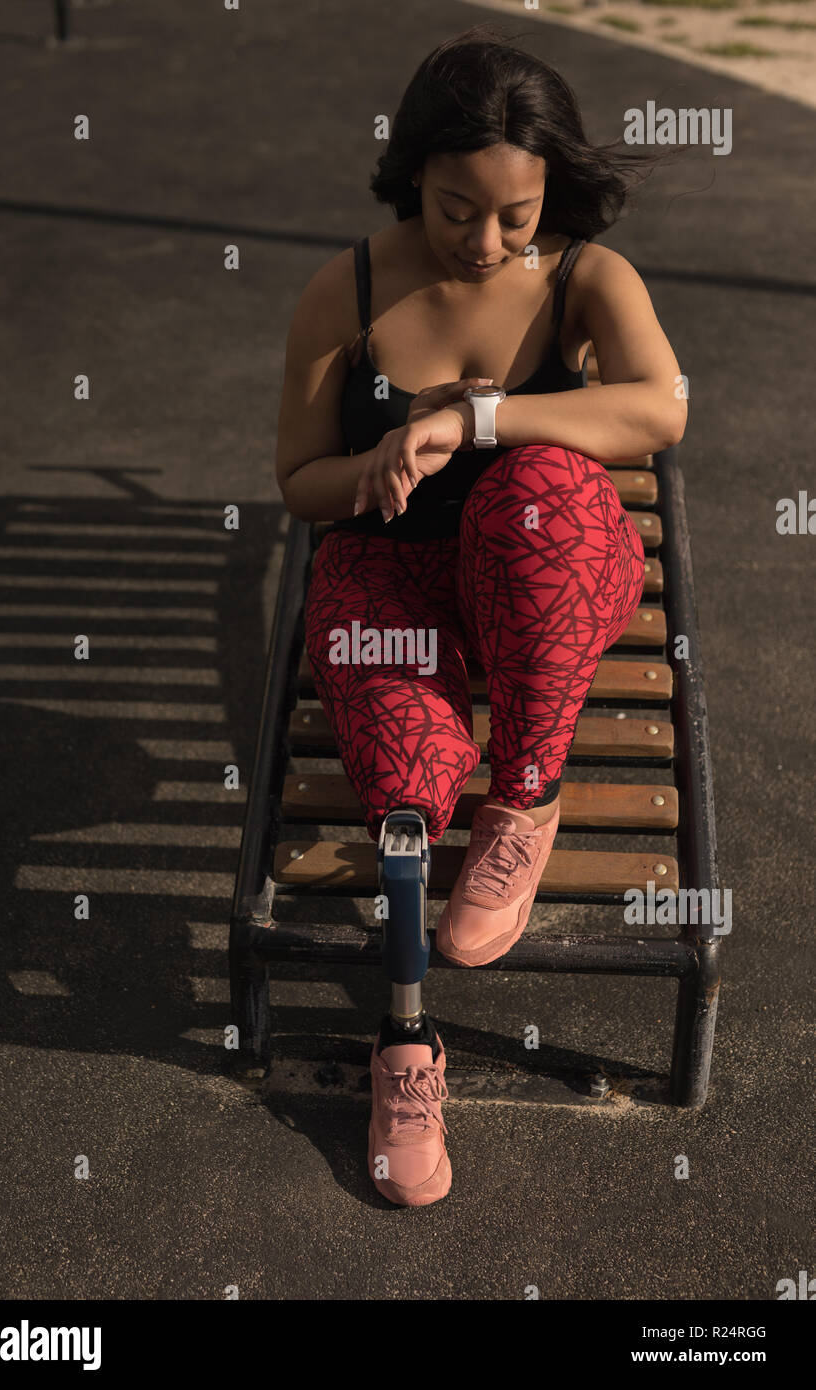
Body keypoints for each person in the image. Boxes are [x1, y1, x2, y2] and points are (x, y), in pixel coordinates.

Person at [275, 28, 687, 1207]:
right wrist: (369, 472)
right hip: (400, 572)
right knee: (402, 777)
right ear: (412, 174)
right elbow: (295, 481)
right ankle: (406, 1046)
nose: (489, 238)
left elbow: (659, 411)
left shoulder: (584, 276)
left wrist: (471, 421)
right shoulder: (345, 288)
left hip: (546, 567)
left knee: (539, 498)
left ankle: (527, 794)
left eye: (517, 212)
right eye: (460, 210)